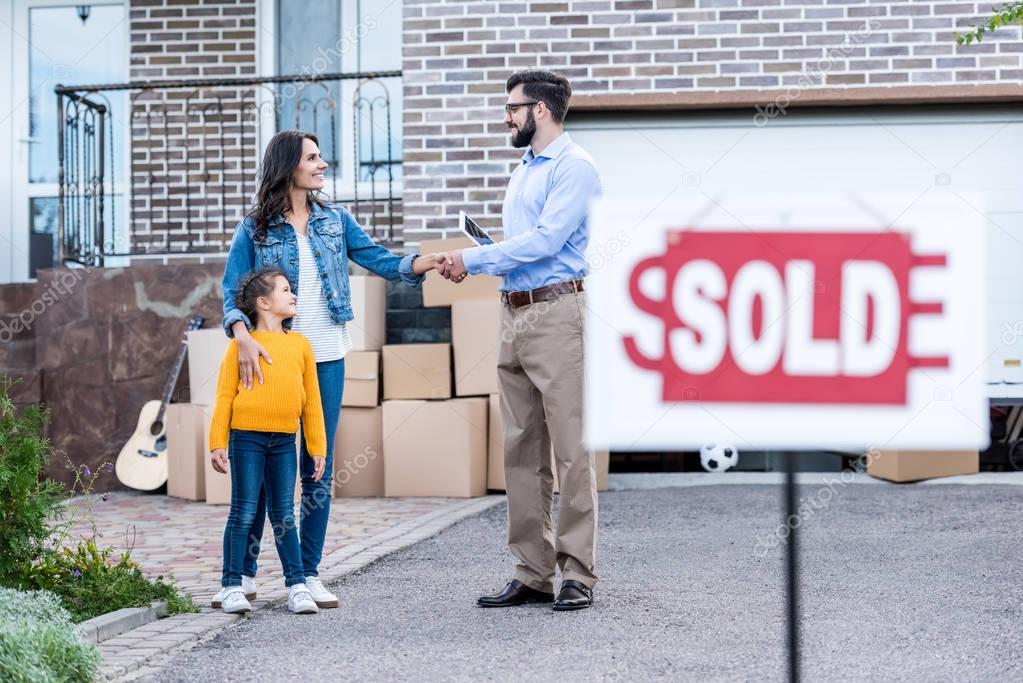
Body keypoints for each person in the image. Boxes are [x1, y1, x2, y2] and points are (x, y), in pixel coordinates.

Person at [218, 130, 440, 609]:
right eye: (313, 158)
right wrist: (242, 341)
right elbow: (232, 291)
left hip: (326, 357)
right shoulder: (254, 228)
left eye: (321, 156)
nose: (322, 164)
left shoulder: (336, 221)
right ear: (288, 167)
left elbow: (377, 258)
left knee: (316, 467)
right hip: (270, 360)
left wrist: (426, 263)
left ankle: (309, 572)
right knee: (258, 469)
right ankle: (246, 570)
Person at [437, 70, 602, 611]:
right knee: (520, 447)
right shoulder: (525, 170)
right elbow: (522, 247)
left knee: (571, 448)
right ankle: (533, 571)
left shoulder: (575, 167)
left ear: (542, 110)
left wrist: (474, 258)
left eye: (512, 108)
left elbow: (547, 241)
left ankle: (576, 572)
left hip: (558, 313)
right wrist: (481, 260)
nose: (505, 117)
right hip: (515, 310)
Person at [209, 267, 327, 615]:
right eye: (286, 290)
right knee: (243, 512)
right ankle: (232, 585)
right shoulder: (240, 347)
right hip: (246, 439)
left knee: (284, 515)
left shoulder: (300, 345)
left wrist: (317, 447)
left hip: (284, 442)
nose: (293, 296)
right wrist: (218, 442)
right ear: (263, 302)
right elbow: (224, 397)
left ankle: (297, 585)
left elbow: (312, 402)